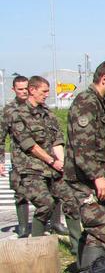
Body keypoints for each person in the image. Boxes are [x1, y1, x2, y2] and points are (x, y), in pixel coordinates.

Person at [65, 60, 105, 268]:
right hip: (85, 179)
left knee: (96, 227)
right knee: (99, 228)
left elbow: (102, 145)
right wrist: (98, 177)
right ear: (104, 79)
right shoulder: (86, 102)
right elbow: (83, 148)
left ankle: (84, 272)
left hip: (92, 176)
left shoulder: (98, 102)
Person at [6, 76, 72, 236]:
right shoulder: (16, 113)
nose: (47, 94)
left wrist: (61, 161)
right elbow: (29, 144)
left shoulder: (47, 113)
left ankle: (66, 236)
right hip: (30, 167)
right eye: (44, 91)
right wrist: (52, 160)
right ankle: (34, 239)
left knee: (69, 200)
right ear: (32, 90)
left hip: (52, 166)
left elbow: (57, 139)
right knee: (42, 202)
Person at [0, 75, 31, 237]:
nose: (24, 92)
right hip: (19, 159)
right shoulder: (9, 110)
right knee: (20, 193)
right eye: (20, 89)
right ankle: (23, 228)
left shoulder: (35, 106)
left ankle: (54, 224)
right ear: (14, 90)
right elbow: (1, 136)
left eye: (26, 88)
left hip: (40, 158)